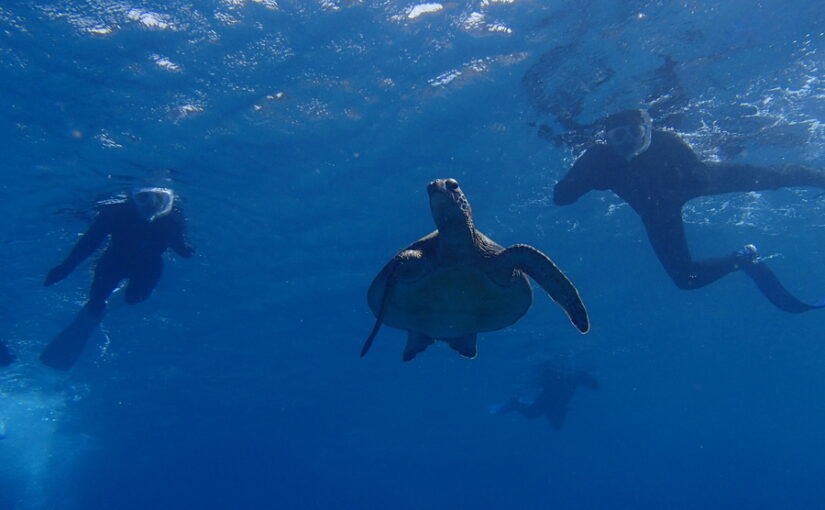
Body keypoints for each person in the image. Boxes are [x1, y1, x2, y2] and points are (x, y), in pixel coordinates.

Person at [554, 109, 825, 313]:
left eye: (634, 133)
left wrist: (686, 176)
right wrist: (581, 180)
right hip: (657, 212)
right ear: (608, 140)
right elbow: (561, 198)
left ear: (647, 130)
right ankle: (741, 259)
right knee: (687, 279)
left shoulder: (665, 141)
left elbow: (700, 174)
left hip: (694, 185)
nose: (628, 142)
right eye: (618, 136)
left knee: (772, 178)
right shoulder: (598, 158)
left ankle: (819, 177)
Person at [42, 187, 195, 370]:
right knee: (97, 301)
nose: (152, 203)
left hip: (146, 265)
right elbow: (89, 242)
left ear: (168, 200)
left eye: (160, 198)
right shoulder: (115, 212)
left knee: (135, 298)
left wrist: (185, 250)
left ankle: (103, 308)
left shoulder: (173, 218)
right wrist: (66, 267)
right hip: (114, 262)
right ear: (133, 197)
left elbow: (178, 243)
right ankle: (95, 310)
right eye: (144, 197)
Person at [493, 363, 599, 429]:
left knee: (532, 414)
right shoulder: (569, 384)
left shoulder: (568, 385)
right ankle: (512, 403)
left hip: (552, 395)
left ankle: (512, 403)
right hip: (553, 394)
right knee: (533, 414)